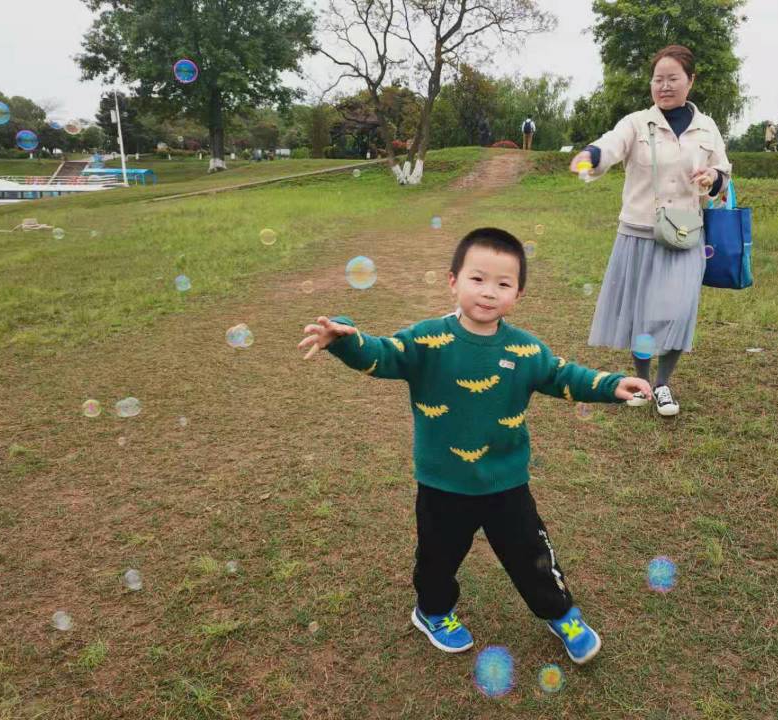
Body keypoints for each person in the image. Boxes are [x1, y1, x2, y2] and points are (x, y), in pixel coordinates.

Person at [298, 227, 652, 664]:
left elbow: (564, 376)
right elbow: (382, 354)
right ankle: (433, 611)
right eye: (477, 279)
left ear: (518, 294)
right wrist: (347, 341)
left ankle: (561, 613)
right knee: (437, 557)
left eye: (503, 284)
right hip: (442, 482)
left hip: (506, 481)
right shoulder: (427, 340)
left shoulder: (525, 350)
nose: (489, 293)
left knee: (532, 553)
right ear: (453, 281)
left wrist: (613, 385)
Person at [569, 45, 732, 417]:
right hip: (639, 232)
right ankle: (643, 383)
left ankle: (664, 383)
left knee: (678, 309)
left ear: (691, 81)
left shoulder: (707, 127)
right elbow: (610, 145)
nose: (664, 86)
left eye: (673, 78)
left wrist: (714, 177)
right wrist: (591, 156)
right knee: (640, 316)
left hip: (687, 234)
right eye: (658, 79)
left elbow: (724, 171)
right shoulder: (636, 122)